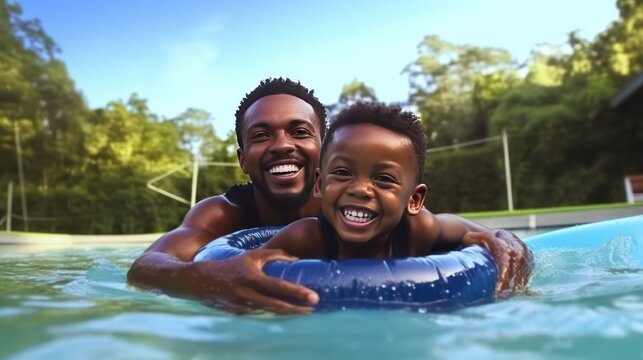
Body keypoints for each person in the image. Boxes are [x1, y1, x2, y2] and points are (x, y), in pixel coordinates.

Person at [127, 77, 532, 315]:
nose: (282, 145)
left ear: (322, 151)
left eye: (299, 132)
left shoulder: (379, 208)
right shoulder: (223, 215)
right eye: (261, 136)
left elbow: (459, 232)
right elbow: (144, 268)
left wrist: (502, 241)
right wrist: (208, 279)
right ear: (242, 159)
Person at [261, 102, 511, 263]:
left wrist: (502, 239)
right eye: (343, 172)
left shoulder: (417, 230)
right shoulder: (304, 239)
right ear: (319, 183)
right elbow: (241, 272)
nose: (360, 189)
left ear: (414, 200)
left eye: (383, 178)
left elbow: (482, 234)